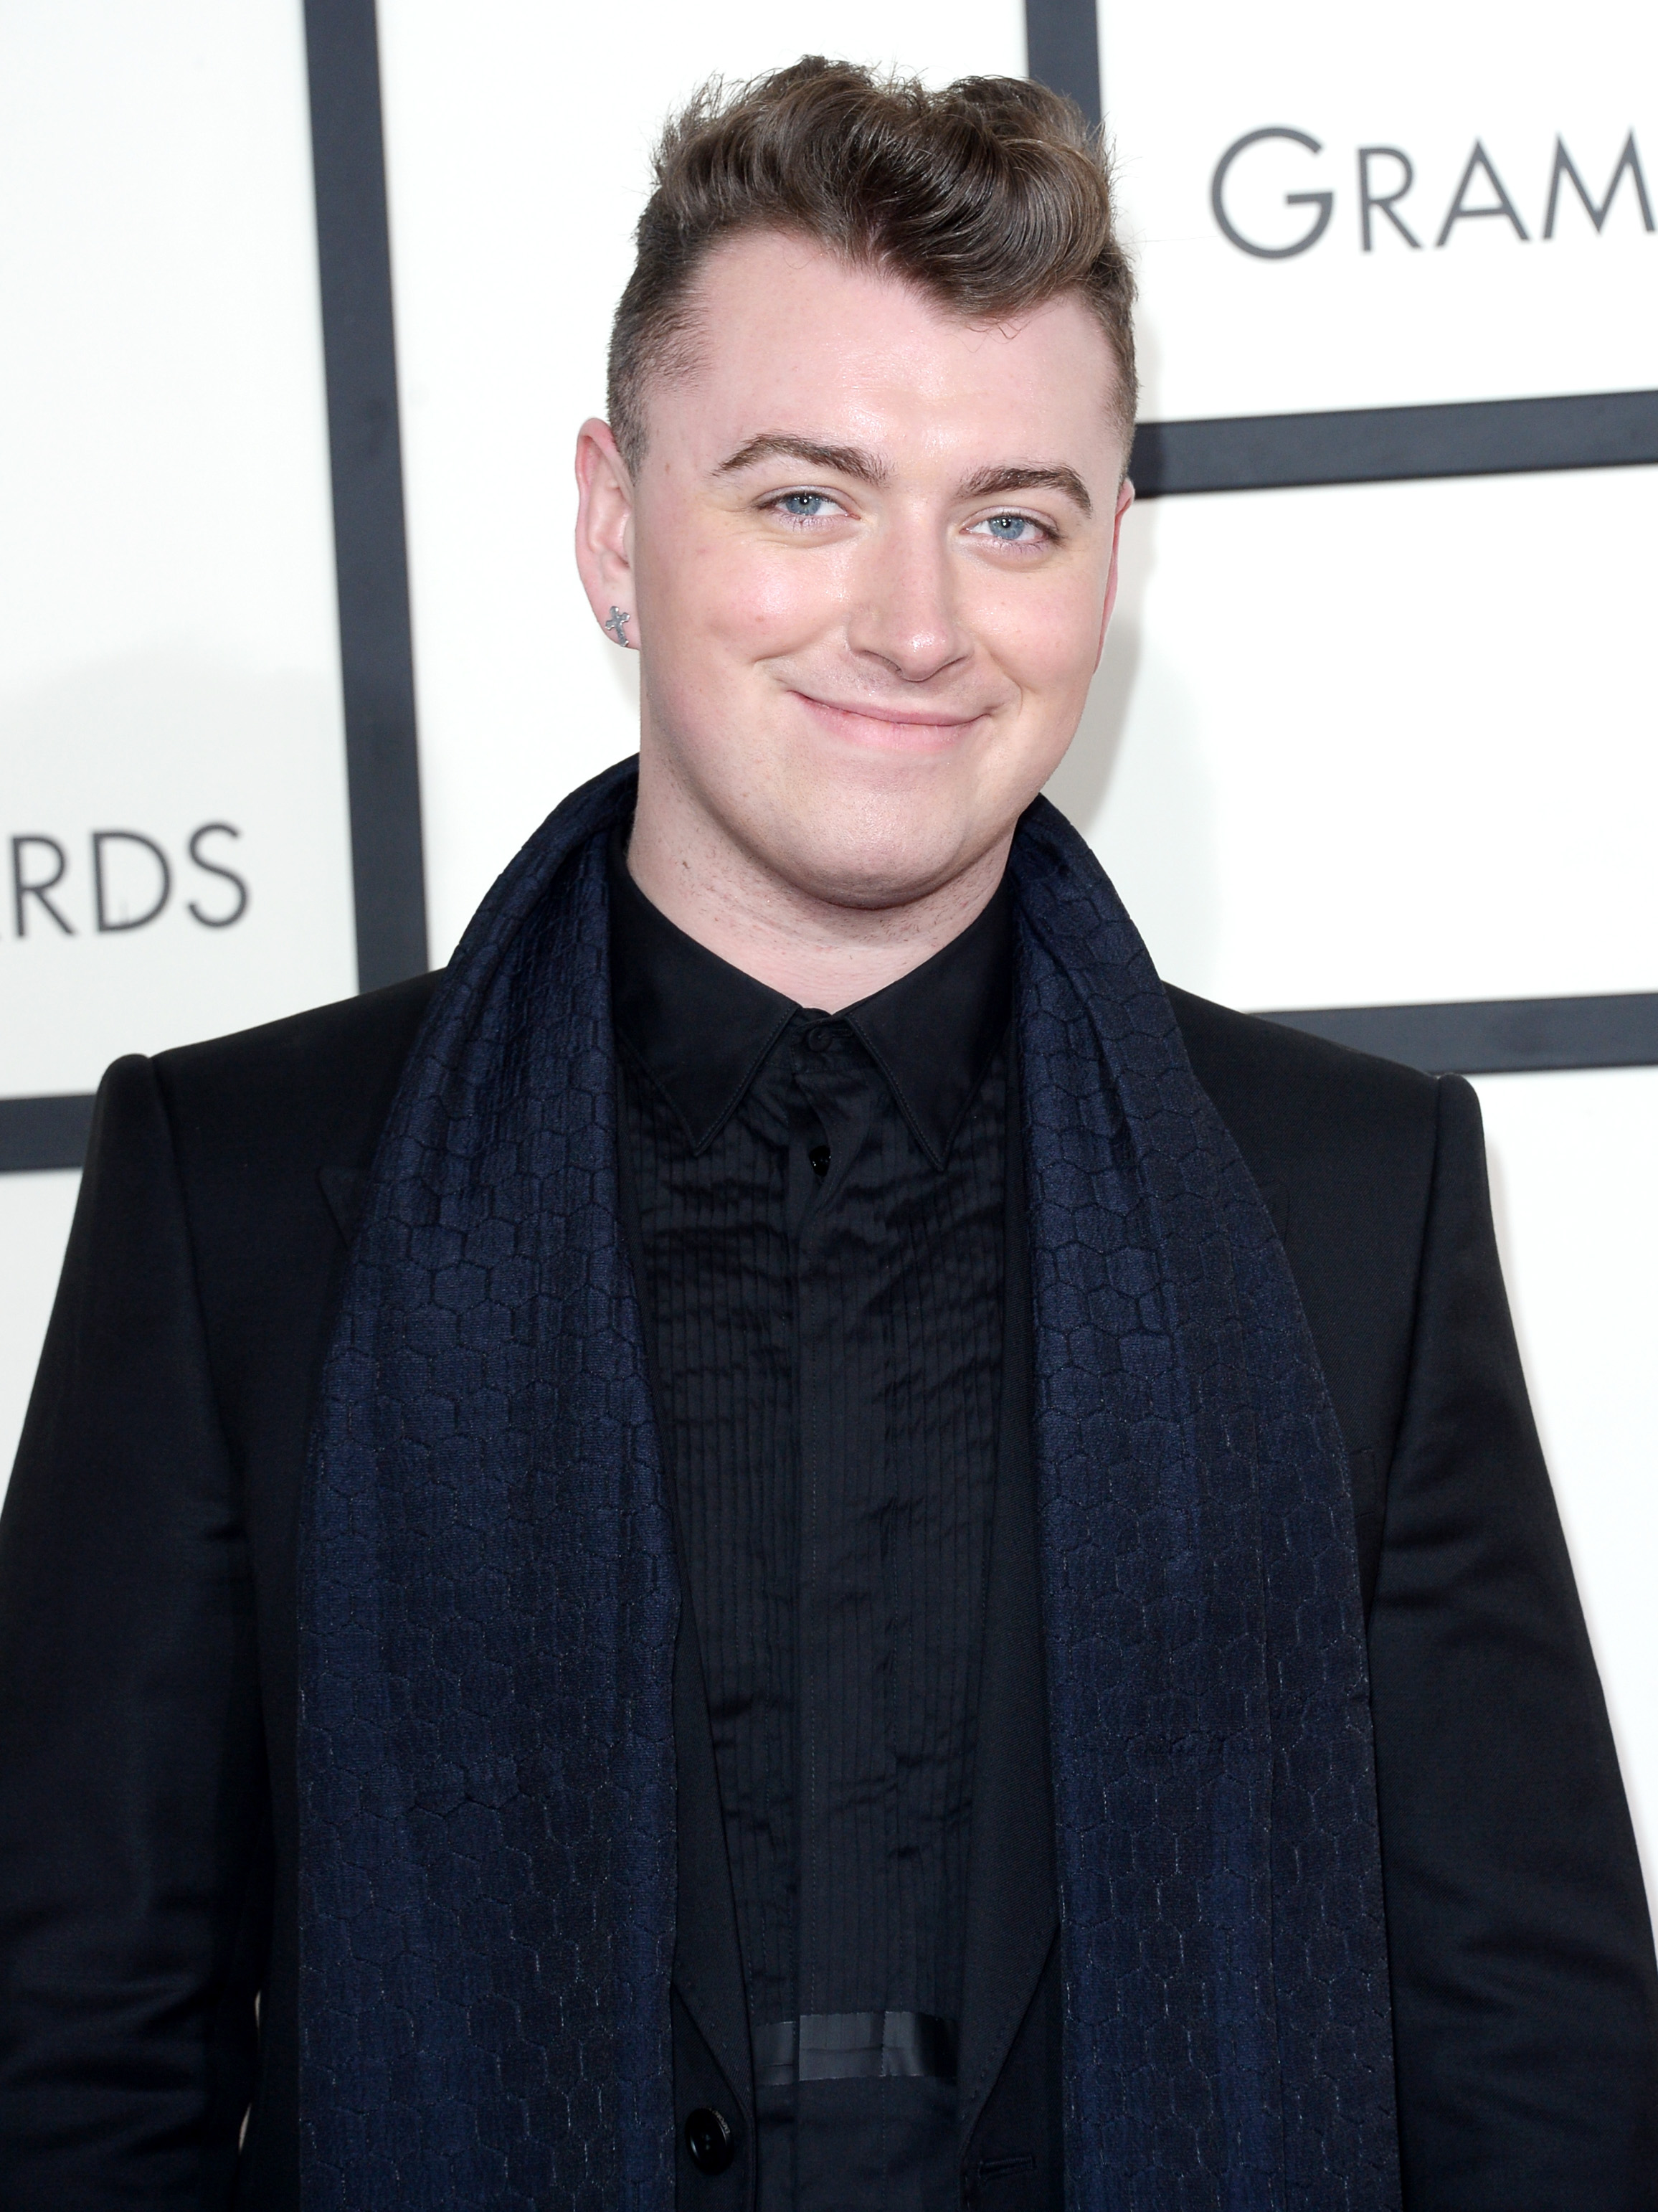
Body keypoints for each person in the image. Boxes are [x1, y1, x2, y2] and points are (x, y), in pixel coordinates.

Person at [0, 57, 1653, 2212]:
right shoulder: (236, 1191)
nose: (916, 624)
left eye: (1011, 519)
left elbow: (1539, 2071)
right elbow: (73, 2057)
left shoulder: (1353, 1198)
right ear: (615, 525)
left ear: (1111, 561)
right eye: (804, 500)